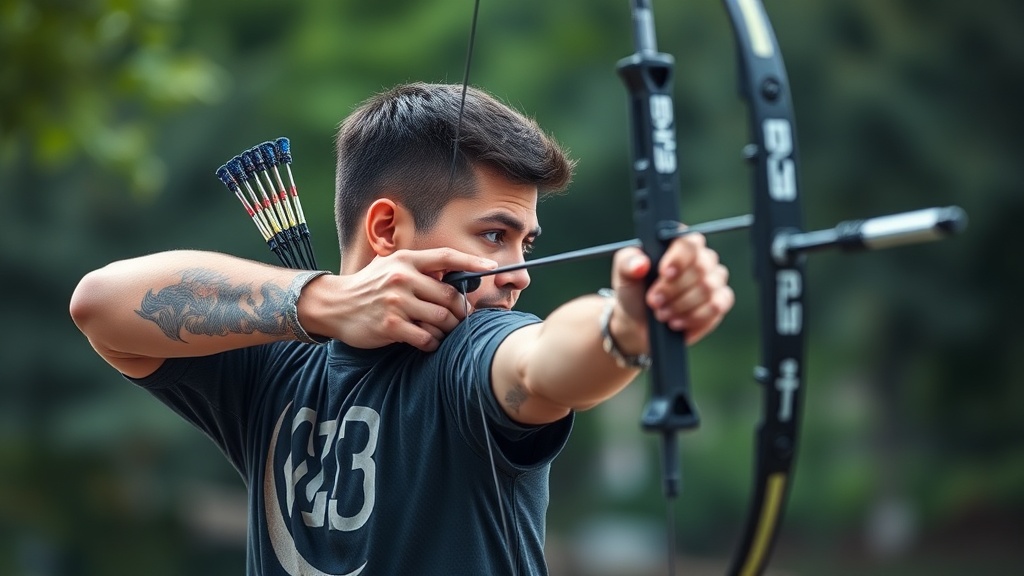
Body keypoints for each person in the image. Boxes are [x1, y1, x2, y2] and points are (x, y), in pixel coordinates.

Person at [70, 82, 734, 575]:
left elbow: (541, 363)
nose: (518, 271)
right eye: (495, 236)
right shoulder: (274, 366)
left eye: (525, 243)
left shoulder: (470, 351)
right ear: (387, 229)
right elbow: (101, 303)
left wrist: (628, 325)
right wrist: (323, 303)